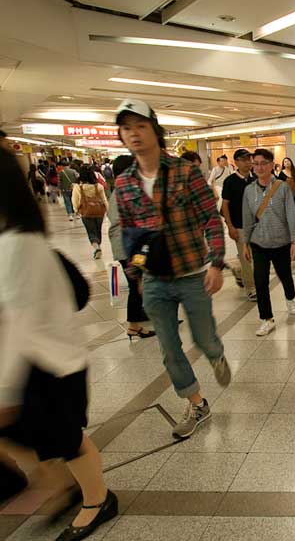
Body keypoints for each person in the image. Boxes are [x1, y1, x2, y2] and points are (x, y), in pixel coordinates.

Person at [0, 148, 118, 540]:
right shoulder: (16, 240)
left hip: (49, 363)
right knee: (48, 436)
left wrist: (5, 391)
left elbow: (16, 323)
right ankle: (59, 485)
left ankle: (97, 499)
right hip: (39, 361)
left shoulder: (18, 245)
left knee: (67, 438)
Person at [113, 99, 230, 438]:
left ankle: (216, 354)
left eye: (140, 126)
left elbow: (211, 217)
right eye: (126, 128)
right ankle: (197, 402)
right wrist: (136, 276)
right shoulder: (124, 184)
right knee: (168, 346)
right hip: (154, 279)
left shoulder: (185, 171)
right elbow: (131, 236)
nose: (133, 134)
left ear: (155, 130)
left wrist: (217, 263)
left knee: (205, 337)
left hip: (192, 272)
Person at [242, 149, 295, 336]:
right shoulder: (249, 190)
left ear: (271, 165)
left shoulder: (282, 187)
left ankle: (290, 298)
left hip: (281, 241)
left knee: (285, 275)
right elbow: (247, 217)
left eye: (263, 163)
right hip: (258, 242)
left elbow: (291, 215)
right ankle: (266, 319)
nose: (259, 167)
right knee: (260, 281)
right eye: (256, 163)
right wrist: (245, 243)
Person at [106, 155, 155, 340]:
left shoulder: (119, 191)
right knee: (137, 285)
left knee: (140, 283)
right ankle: (134, 326)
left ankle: (142, 318)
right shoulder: (124, 192)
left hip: (127, 246)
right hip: (129, 248)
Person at [221, 149, 257, 301]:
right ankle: (251, 288)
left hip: (257, 225)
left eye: (249, 159)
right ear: (236, 162)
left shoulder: (256, 178)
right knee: (246, 259)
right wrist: (230, 226)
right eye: (243, 160)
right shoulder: (230, 181)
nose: (248, 162)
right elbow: (225, 205)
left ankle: (238, 272)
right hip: (239, 226)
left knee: (257, 257)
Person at [72, 165, 108, 260]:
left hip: (86, 212)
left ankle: (96, 247)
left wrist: (76, 210)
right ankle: (98, 244)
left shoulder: (78, 187)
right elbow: (104, 200)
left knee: (91, 231)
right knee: (98, 230)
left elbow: (75, 200)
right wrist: (107, 210)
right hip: (99, 212)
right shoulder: (99, 186)